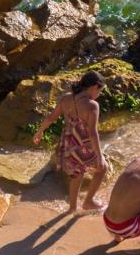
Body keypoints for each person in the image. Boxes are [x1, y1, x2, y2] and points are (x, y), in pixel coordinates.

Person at [34, 70, 108, 214]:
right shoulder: (92, 106)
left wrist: (40, 131)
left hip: (70, 144)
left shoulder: (65, 99)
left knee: (76, 174)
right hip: (85, 145)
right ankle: (88, 201)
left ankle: (72, 207)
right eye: (100, 90)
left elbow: (51, 117)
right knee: (102, 168)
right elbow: (93, 133)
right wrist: (99, 156)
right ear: (94, 86)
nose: (99, 94)